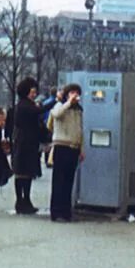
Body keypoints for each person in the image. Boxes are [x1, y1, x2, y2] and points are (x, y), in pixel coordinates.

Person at [10, 77, 46, 215]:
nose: (34, 94)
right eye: (32, 91)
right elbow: (37, 112)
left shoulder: (25, 104)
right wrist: (54, 101)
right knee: (22, 173)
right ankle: (21, 200)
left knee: (26, 173)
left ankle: (25, 200)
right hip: (24, 143)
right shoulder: (25, 105)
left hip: (27, 142)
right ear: (26, 92)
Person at [48, 83, 84, 222]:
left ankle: (66, 210)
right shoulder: (60, 106)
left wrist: (82, 149)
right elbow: (57, 114)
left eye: (77, 92)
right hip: (62, 146)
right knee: (59, 181)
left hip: (74, 148)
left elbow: (80, 130)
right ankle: (56, 211)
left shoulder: (78, 110)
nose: (75, 95)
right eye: (72, 92)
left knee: (69, 181)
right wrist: (68, 102)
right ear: (67, 94)